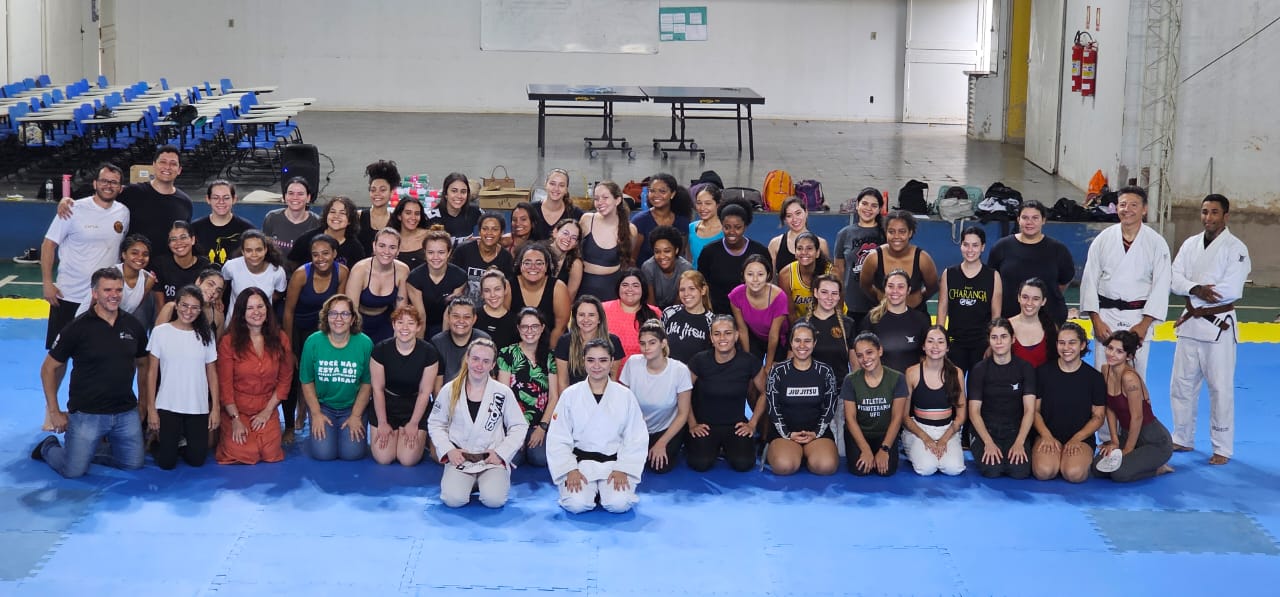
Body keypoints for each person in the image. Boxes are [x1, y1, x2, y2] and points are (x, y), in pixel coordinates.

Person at [31, 268, 149, 478]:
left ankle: (86, 450)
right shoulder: (77, 328)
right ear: (94, 293)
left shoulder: (133, 326)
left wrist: (142, 403)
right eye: (107, 290)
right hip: (87, 414)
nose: (114, 295)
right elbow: (48, 368)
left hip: (125, 413)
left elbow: (143, 364)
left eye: (118, 290)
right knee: (73, 471)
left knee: (133, 464)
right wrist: (55, 411)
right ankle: (49, 447)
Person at [1169, 194, 1251, 466]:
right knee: (1180, 385)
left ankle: (1222, 447)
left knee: (1220, 389)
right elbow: (1175, 278)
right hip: (1190, 323)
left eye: (1214, 212)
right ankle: (1182, 436)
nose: (1208, 217)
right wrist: (1196, 288)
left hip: (1219, 326)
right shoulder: (1190, 244)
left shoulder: (1236, 249)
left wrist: (1195, 287)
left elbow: (1230, 289)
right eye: (1204, 212)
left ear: (1225, 216)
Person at [546, 338, 649, 514]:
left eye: (603, 360)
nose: (597, 366)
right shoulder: (570, 395)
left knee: (619, 505)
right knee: (576, 505)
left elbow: (636, 437)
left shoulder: (625, 396)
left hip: (614, 464)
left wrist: (623, 468)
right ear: (583, 361)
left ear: (611, 363)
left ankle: (602, 491)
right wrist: (569, 469)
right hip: (581, 464)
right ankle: (592, 492)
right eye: (591, 360)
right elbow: (558, 436)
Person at [1080, 186, 1172, 379]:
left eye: (1133, 205)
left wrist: (1145, 324)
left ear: (1144, 209)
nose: (1127, 209)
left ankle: (1135, 410)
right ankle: (1101, 410)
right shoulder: (1103, 239)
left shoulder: (1156, 243)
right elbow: (1089, 280)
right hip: (1106, 317)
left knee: (1135, 378)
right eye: (1122, 205)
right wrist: (1095, 320)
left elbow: (1161, 286)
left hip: (1137, 318)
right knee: (1103, 374)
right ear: (1116, 208)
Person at [429, 338, 527, 508]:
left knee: (494, 501)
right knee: (453, 500)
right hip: (461, 460)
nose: (479, 365)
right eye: (475, 359)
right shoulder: (450, 389)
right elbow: (436, 423)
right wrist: (449, 450)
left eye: (486, 361)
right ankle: (469, 482)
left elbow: (519, 426)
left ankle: (485, 481)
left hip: (490, 460)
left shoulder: (502, 392)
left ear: (493, 364)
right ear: (467, 358)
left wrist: (501, 453)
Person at [40, 163, 129, 349]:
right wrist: (47, 283)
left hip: (102, 299)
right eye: (104, 181)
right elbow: (48, 245)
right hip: (68, 294)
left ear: (121, 188)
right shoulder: (73, 209)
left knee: (99, 352)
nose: (108, 185)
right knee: (58, 355)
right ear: (95, 183)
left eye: (114, 182)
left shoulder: (123, 212)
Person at [58, 146, 190, 259]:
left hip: (164, 274)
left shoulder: (185, 203)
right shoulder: (132, 192)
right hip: (132, 270)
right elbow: (101, 196)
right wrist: (68, 200)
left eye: (173, 163)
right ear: (154, 165)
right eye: (163, 162)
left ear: (179, 170)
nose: (167, 167)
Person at [282, 234, 349, 443]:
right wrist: (290, 348)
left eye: (326, 253)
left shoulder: (342, 273)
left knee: (318, 373)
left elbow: (337, 307)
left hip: (322, 327)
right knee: (293, 376)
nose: (320, 258)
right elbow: (288, 312)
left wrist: (333, 340)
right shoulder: (302, 275)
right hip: (298, 327)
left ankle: (306, 412)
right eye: (315, 254)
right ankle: (290, 425)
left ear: (335, 254)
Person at [144, 285, 219, 469]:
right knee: (167, 463)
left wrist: (215, 407)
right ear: (176, 305)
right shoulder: (161, 332)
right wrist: (151, 408)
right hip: (168, 404)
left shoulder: (206, 334)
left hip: (197, 405)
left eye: (194, 307)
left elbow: (212, 372)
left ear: (201, 310)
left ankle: (182, 441)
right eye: (184, 305)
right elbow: (152, 372)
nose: (189, 311)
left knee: (197, 459)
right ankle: (158, 442)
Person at [216, 287, 292, 465]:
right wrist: (235, 419)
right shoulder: (228, 342)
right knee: (244, 453)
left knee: (270, 453)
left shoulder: (281, 338)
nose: (256, 312)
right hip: (236, 409)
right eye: (250, 308)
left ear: (267, 309)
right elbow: (224, 385)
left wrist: (267, 412)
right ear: (242, 313)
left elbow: (285, 379)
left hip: (266, 406)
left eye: (260, 306)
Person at [686, 315, 767, 472]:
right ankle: (714, 447)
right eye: (717, 334)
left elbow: (765, 392)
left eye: (728, 333)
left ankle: (726, 447)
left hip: (736, 425)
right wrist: (692, 424)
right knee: (700, 463)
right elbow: (683, 392)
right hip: (705, 425)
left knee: (743, 464)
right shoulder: (699, 360)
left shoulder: (749, 361)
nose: (722, 338)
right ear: (711, 337)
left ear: (736, 336)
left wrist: (752, 423)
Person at [299, 294, 374, 461]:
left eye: (345, 314)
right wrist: (316, 413)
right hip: (324, 406)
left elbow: (367, 383)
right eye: (333, 313)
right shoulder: (313, 342)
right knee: (324, 454)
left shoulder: (365, 343)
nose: (338, 319)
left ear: (353, 319)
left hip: (352, 406)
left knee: (352, 454)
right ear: (326, 317)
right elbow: (306, 380)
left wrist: (355, 416)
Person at [1096, 330, 1175, 481]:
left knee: (1119, 473)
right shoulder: (1105, 370)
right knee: (1097, 468)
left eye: (1119, 351)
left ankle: (1158, 468)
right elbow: (1110, 407)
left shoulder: (1129, 378)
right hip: (1127, 434)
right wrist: (1114, 440)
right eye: (1110, 348)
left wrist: (1127, 451)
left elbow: (1137, 417)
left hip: (1154, 440)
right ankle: (1137, 459)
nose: (1112, 354)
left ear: (1129, 356)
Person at [1032, 322, 1105, 483]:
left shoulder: (1094, 378)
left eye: (1072, 342)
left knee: (1073, 474)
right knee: (1044, 472)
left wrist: (1077, 438)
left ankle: (1071, 459)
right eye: (1061, 343)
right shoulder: (1043, 373)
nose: (1066, 348)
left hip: (1080, 438)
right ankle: (1056, 457)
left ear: (1082, 345)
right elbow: (1034, 411)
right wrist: (1046, 436)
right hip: (1048, 434)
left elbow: (1098, 416)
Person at [764, 322, 840, 476]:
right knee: (784, 466)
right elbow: (772, 406)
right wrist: (787, 434)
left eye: (807, 341)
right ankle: (784, 451)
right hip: (785, 433)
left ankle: (808, 454)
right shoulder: (778, 371)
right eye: (797, 340)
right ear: (791, 343)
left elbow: (830, 406)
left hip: (816, 432)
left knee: (826, 466)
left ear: (814, 343)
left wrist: (816, 433)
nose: (802, 345)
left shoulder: (825, 371)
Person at [618, 320, 693, 473]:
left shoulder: (679, 370)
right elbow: (622, 402)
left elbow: (683, 413)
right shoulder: (632, 363)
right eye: (643, 343)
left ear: (663, 343)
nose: (646, 348)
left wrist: (662, 443)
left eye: (652, 343)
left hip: (665, 428)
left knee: (659, 467)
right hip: (637, 427)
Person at [967, 319, 1037, 479]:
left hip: (1014, 430)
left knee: (1019, 471)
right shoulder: (979, 370)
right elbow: (974, 412)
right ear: (989, 340)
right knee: (993, 470)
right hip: (986, 429)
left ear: (1013, 339)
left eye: (1004, 337)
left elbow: (1029, 410)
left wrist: (1020, 442)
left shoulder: (1025, 368)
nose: (999, 342)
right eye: (994, 337)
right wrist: (988, 443)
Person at [370, 306, 439, 466]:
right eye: (400, 322)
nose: (405, 328)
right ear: (394, 325)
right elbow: (378, 389)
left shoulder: (429, 352)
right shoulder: (380, 349)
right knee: (384, 458)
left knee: (407, 460)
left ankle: (417, 435)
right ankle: (396, 432)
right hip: (387, 403)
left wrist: (414, 423)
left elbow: (424, 392)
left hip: (414, 405)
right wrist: (382, 422)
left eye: (410, 323)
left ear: (418, 327)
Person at [988, 200, 1076, 324]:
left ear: (1043, 220)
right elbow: (993, 283)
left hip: (1049, 321)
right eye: (1025, 217)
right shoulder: (1001, 247)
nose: (1030, 222)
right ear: (1018, 219)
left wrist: (1046, 296)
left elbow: (1064, 281)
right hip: (1009, 321)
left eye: (1035, 218)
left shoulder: (1058, 250)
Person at [497, 308, 561, 467]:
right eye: (525, 327)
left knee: (540, 459)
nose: (529, 331)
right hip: (513, 423)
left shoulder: (550, 357)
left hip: (539, 423)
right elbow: (503, 395)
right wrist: (515, 431)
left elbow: (554, 396)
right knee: (513, 459)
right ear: (518, 329)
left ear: (542, 328)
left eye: (534, 326)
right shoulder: (506, 354)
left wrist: (542, 428)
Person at [900, 327, 967, 476]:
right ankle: (911, 446)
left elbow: (961, 416)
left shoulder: (956, 373)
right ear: (923, 346)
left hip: (947, 430)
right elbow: (904, 416)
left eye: (940, 342)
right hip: (920, 430)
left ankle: (939, 451)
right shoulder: (912, 373)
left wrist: (944, 439)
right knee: (927, 468)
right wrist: (925, 438)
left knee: (953, 469)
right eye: (930, 341)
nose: (935, 346)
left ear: (947, 347)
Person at [842, 331, 908, 476]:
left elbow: (897, 418)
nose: (865, 359)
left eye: (869, 352)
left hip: (884, 434)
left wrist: (884, 449)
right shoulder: (850, 380)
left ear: (880, 351)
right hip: (859, 433)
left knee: (886, 470)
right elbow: (850, 419)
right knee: (860, 470)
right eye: (859, 355)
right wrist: (865, 449)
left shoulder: (897, 378)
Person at [936, 226, 1001, 372]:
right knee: (954, 387)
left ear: (983, 247)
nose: (970, 250)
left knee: (978, 388)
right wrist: (940, 341)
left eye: (975, 245)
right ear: (961, 246)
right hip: (955, 342)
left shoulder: (993, 276)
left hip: (981, 343)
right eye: (966, 244)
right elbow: (942, 309)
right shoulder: (949, 273)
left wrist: (993, 343)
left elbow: (996, 315)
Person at [859, 210, 938, 317]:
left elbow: (932, 287)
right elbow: (865, 286)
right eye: (891, 231)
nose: (896, 236)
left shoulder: (923, 259)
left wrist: (915, 299)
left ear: (910, 233)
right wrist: (881, 299)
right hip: (882, 316)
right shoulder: (873, 258)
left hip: (916, 316)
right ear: (885, 232)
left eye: (902, 232)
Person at [698, 199, 770, 315]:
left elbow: (767, 286)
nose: (732, 232)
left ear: (745, 226)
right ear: (722, 226)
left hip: (751, 315)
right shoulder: (709, 252)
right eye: (727, 227)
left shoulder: (759, 251)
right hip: (717, 314)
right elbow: (701, 285)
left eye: (737, 227)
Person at [75, 234, 156, 329]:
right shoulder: (110, 275)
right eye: (134, 253)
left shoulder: (149, 280)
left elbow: (129, 309)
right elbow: (94, 309)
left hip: (114, 326)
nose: (140, 257)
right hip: (88, 323)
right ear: (124, 255)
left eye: (145, 254)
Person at [860, 269, 931, 374]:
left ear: (908, 290)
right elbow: (863, 356)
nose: (895, 291)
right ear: (885, 289)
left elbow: (925, 357)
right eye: (891, 286)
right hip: (879, 386)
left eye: (901, 287)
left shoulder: (921, 320)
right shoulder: (872, 319)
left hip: (910, 384)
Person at [345, 228, 409, 344]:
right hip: (359, 321)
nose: (387, 251)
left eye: (392, 247)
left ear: (398, 250)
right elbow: (351, 309)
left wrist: (397, 340)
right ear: (374, 246)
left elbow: (401, 310)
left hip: (385, 323)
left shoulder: (403, 270)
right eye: (382, 246)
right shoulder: (360, 270)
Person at [833, 187, 886, 325]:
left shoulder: (886, 234)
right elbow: (839, 269)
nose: (868, 208)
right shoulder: (844, 234)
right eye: (864, 203)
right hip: (851, 304)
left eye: (874, 205)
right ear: (857, 205)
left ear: (880, 209)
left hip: (879, 303)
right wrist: (838, 301)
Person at [578, 181, 638, 301]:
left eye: (605, 198)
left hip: (611, 291)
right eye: (596, 198)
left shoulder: (630, 230)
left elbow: (628, 261)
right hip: (583, 288)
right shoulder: (587, 220)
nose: (600, 202)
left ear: (617, 200)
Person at [406, 226, 468, 339]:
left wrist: (444, 345)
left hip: (446, 322)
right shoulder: (414, 278)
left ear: (449, 252)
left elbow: (449, 314)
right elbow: (421, 316)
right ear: (424, 252)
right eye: (430, 252)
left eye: (441, 252)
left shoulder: (460, 277)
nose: (436, 257)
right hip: (420, 323)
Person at [730, 255, 790, 369]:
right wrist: (748, 360)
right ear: (743, 275)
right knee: (750, 371)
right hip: (754, 337)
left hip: (779, 340)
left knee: (772, 372)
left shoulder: (779, 297)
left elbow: (774, 335)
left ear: (768, 275)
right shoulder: (736, 295)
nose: (755, 279)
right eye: (750, 274)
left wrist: (768, 366)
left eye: (760, 274)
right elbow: (742, 330)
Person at [555, 295, 625, 387]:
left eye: (591, 315)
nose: (586, 319)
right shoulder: (564, 342)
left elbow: (613, 379)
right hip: (573, 398)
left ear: (599, 318)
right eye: (581, 315)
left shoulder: (613, 342)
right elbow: (563, 382)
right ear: (575, 318)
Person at [221, 229, 288, 323]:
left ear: (265, 250)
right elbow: (222, 284)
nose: (254, 255)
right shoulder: (231, 266)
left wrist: (263, 301)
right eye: (249, 250)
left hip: (264, 325)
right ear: (243, 252)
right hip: (234, 324)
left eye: (259, 250)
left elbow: (279, 292)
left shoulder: (277, 272)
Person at [509, 242, 571, 343]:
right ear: (520, 265)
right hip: (516, 348)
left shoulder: (558, 287)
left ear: (546, 266)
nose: (533, 267)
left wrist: (547, 354)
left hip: (550, 347)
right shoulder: (508, 286)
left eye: (539, 263)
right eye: (527, 263)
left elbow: (560, 327)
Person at [800, 274, 857, 380]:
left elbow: (855, 366)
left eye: (834, 293)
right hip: (809, 388)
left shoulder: (848, 324)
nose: (829, 298)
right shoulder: (801, 325)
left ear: (839, 296)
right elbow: (791, 362)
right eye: (824, 292)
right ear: (816, 293)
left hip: (840, 389)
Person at [431, 297, 492, 391]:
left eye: (467, 317)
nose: (461, 321)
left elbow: (490, 377)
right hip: (446, 397)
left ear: (474, 319)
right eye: (456, 316)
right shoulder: (437, 342)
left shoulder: (484, 340)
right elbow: (436, 386)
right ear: (448, 317)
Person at [287, 196, 365, 268]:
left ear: (350, 221)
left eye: (342, 213)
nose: (336, 216)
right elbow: (292, 264)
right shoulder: (307, 239)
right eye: (332, 212)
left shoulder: (356, 249)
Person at [451, 213, 513, 303]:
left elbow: (507, 291)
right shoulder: (463, 250)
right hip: (463, 308)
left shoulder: (506, 257)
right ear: (479, 231)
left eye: (495, 229)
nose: (489, 233)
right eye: (485, 229)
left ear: (502, 232)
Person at [603, 268, 662, 362]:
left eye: (635, 286)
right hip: (607, 373)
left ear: (643, 289)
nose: (630, 289)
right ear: (618, 287)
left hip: (643, 372)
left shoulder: (655, 313)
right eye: (625, 285)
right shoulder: (603, 309)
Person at [632, 173, 692, 266]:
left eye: (662, 191)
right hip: (643, 277)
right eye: (652, 191)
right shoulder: (640, 221)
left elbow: (679, 257)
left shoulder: (682, 222)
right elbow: (632, 259)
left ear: (672, 194)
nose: (656, 195)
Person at [151, 220, 212, 307]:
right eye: (173, 239)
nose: (179, 243)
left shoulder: (205, 265)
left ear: (193, 240)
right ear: (169, 244)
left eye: (183, 237)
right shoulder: (160, 264)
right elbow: (160, 306)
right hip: (168, 315)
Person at [191, 179, 253, 266]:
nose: (221, 202)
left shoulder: (247, 229)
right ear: (208, 199)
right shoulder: (194, 228)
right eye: (216, 198)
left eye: (226, 198)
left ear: (234, 199)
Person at [261, 177, 320, 264]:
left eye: (300, 194)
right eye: (291, 193)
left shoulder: (317, 222)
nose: (295, 197)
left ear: (308, 198)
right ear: (285, 196)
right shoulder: (271, 218)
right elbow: (265, 251)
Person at [779, 231, 836, 321]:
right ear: (795, 253)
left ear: (817, 253)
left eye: (809, 248)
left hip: (830, 318)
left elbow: (838, 306)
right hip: (801, 322)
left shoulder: (831, 272)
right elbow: (791, 313)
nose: (804, 252)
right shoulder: (786, 274)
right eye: (800, 248)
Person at [156, 267, 225, 338]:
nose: (213, 291)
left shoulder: (218, 315)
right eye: (210, 284)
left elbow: (215, 347)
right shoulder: (171, 308)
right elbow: (156, 339)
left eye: (218, 290)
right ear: (199, 281)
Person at [662, 270, 715, 364]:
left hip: (696, 376)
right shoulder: (669, 312)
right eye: (682, 289)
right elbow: (658, 343)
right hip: (667, 373)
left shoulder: (711, 321)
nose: (686, 294)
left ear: (703, 290)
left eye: (692, 288)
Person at [768, 196, 831, 273]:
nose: (794, 219)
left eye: (798, 213)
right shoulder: (775, 244)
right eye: (789, 216)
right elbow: (770, 278)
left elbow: (827, 277)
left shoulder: (821, 244)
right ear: (784, 219)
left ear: (806, 212)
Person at [641, 225, 693, 309]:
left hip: (678, 311)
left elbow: (680, 302)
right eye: (657, 252)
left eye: (667, 251)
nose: (662, 256)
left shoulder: (686, 268)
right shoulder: (648, 267)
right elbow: (651, 303)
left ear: (676, 250)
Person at [1009, 278, 1057, 369]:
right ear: (1018, 298)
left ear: (1043, 301)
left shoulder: (1051, 328)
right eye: (1025, 297)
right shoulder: (1006, 327)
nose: (1029, 303)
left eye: (1035, 299)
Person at [358, 159, 400, 254]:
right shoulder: (358, 217)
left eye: (382, 190)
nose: (377, 194)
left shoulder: (396, 221)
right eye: (373, 190)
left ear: (392, 192)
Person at [532, 168, 584, 240]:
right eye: (552, 184)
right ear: (546, 185)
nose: (556, 188)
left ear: (566, 189)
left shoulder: (576, 214)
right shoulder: (531, 210)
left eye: (561, 185)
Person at [425, 172, 482, 238]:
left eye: (463, 192)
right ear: (445, 193)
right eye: (454, 191)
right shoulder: (432, 218)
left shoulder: (476, 212)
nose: (459, 196)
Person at [475, 269, 518, 349]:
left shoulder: (515, 321)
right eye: (487, 290)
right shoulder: (473, 316)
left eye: (497, 289)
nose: (492, 295)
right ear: (482, 294)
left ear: (505, 290)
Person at [687, 184, 723, 267]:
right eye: (699, 203)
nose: (702, 208)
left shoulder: (727, 230)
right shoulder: (691, 228)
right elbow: (689, 259)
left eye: (708, 203)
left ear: (718, 204)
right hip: (696, 278)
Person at [390, 197, 429, 270]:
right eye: (408, 213)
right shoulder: (389, 239)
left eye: (417, 214)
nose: (413, 217)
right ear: (399, 216)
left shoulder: (429, 237)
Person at [549, 219, 584, 299]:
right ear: (555, 232)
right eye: (565, 233)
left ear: (576, 244)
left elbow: (569, 298)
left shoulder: (576, 264)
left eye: (573, 238)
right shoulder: (539, 252)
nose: (568, 239)